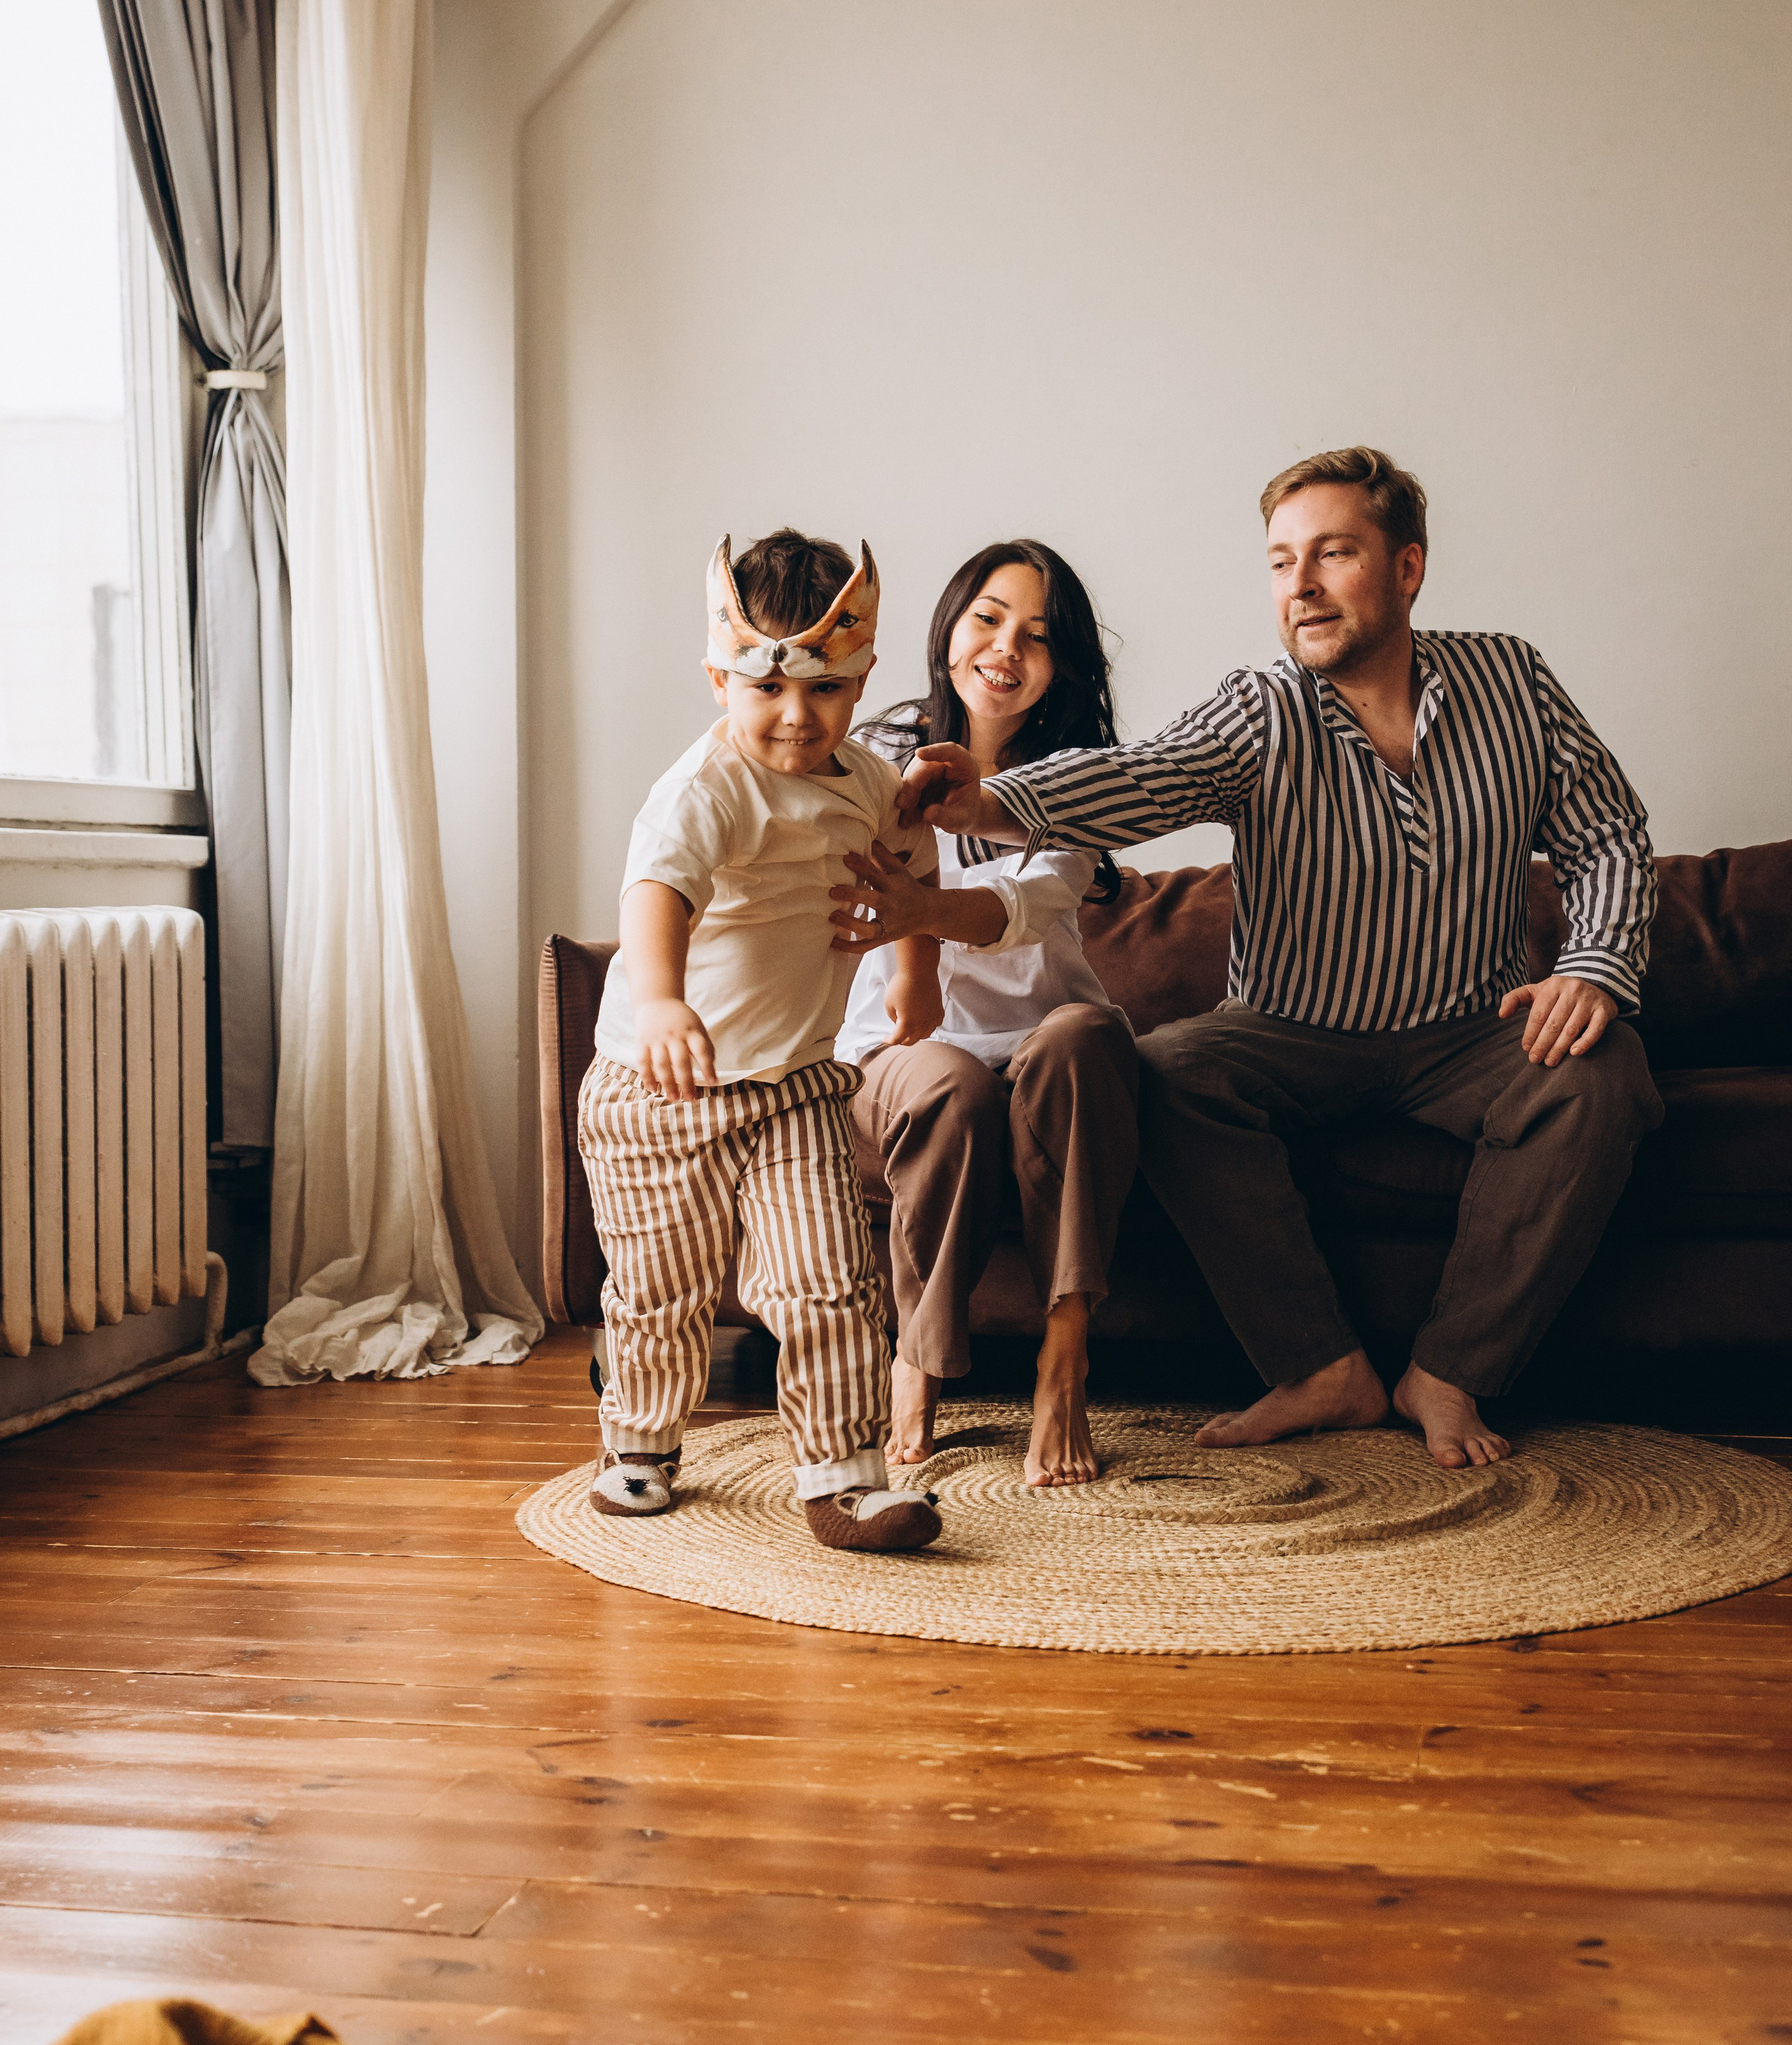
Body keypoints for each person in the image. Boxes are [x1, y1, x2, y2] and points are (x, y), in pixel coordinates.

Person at [896, 450, 1664, 1471]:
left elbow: (1608, 834)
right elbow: (1144, 777)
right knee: (1163, 1067)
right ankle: (1321, 1370)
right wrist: (986, 803)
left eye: (1332, 554)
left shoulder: (1511, 679)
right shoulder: (1262, 708)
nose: (1298, 586)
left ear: (1407, 569)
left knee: (1604, 1077)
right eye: (1279, 563)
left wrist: (1594, 966)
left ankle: (1450, 1370)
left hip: (1471, 1030)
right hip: (1289, 1033)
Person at [579, 527, 946, 1553]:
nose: (797, 717)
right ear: (717, 679)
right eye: (767, 690)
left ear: (863, 681)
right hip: (662, 1091)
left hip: (792, 1088)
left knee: (828, 1276)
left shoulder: (871, 783)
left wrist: (914, 971)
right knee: (664, 1288)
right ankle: (642, 1445)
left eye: (828, 693)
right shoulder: (703, 791)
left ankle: (844, 1478)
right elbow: (656, 894)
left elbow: (906, 871)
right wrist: (659, 1001)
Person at [828, 541, 1139, 1488]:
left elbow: (1027, 911)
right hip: (904, 1053)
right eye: (989, 620)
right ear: (951, 628)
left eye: (1038, 638)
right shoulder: (871, 758)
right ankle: (917, 1361)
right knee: (953, 1083)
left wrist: (922, 913)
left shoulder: (1077, 785)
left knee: (1086, 1035)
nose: (1007, 649)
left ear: (1063, 670)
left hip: (1052, 1050)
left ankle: (1064, 1357)